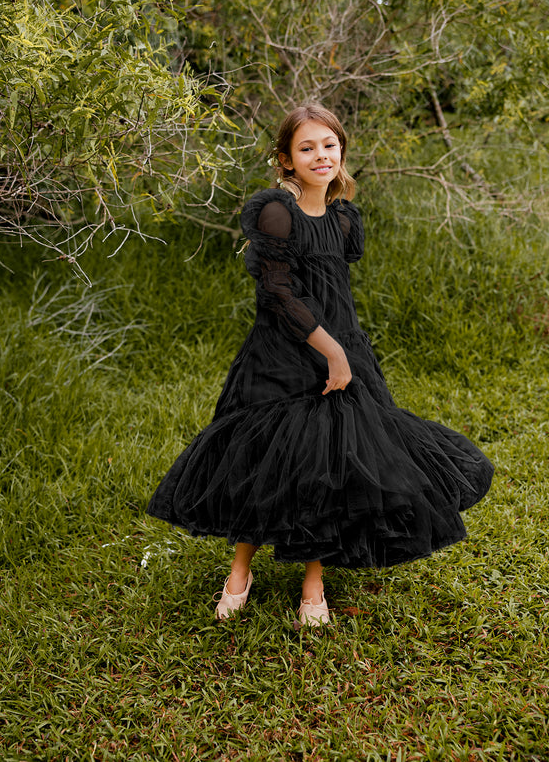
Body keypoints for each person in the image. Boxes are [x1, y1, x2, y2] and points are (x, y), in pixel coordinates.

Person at [146, 103, 493, 626]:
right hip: (283, 353)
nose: (321, 155)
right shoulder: (277, 212)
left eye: (329, 145)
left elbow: (337, 293)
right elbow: (278, 294)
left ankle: (314, 582)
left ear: (341, 151)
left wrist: (343, 351)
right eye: (306, 148)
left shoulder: (343, 218)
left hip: (342, 348)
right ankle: (240, 571)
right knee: (262, 459)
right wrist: (330, 351)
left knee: (330, 465)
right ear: (286, 160)